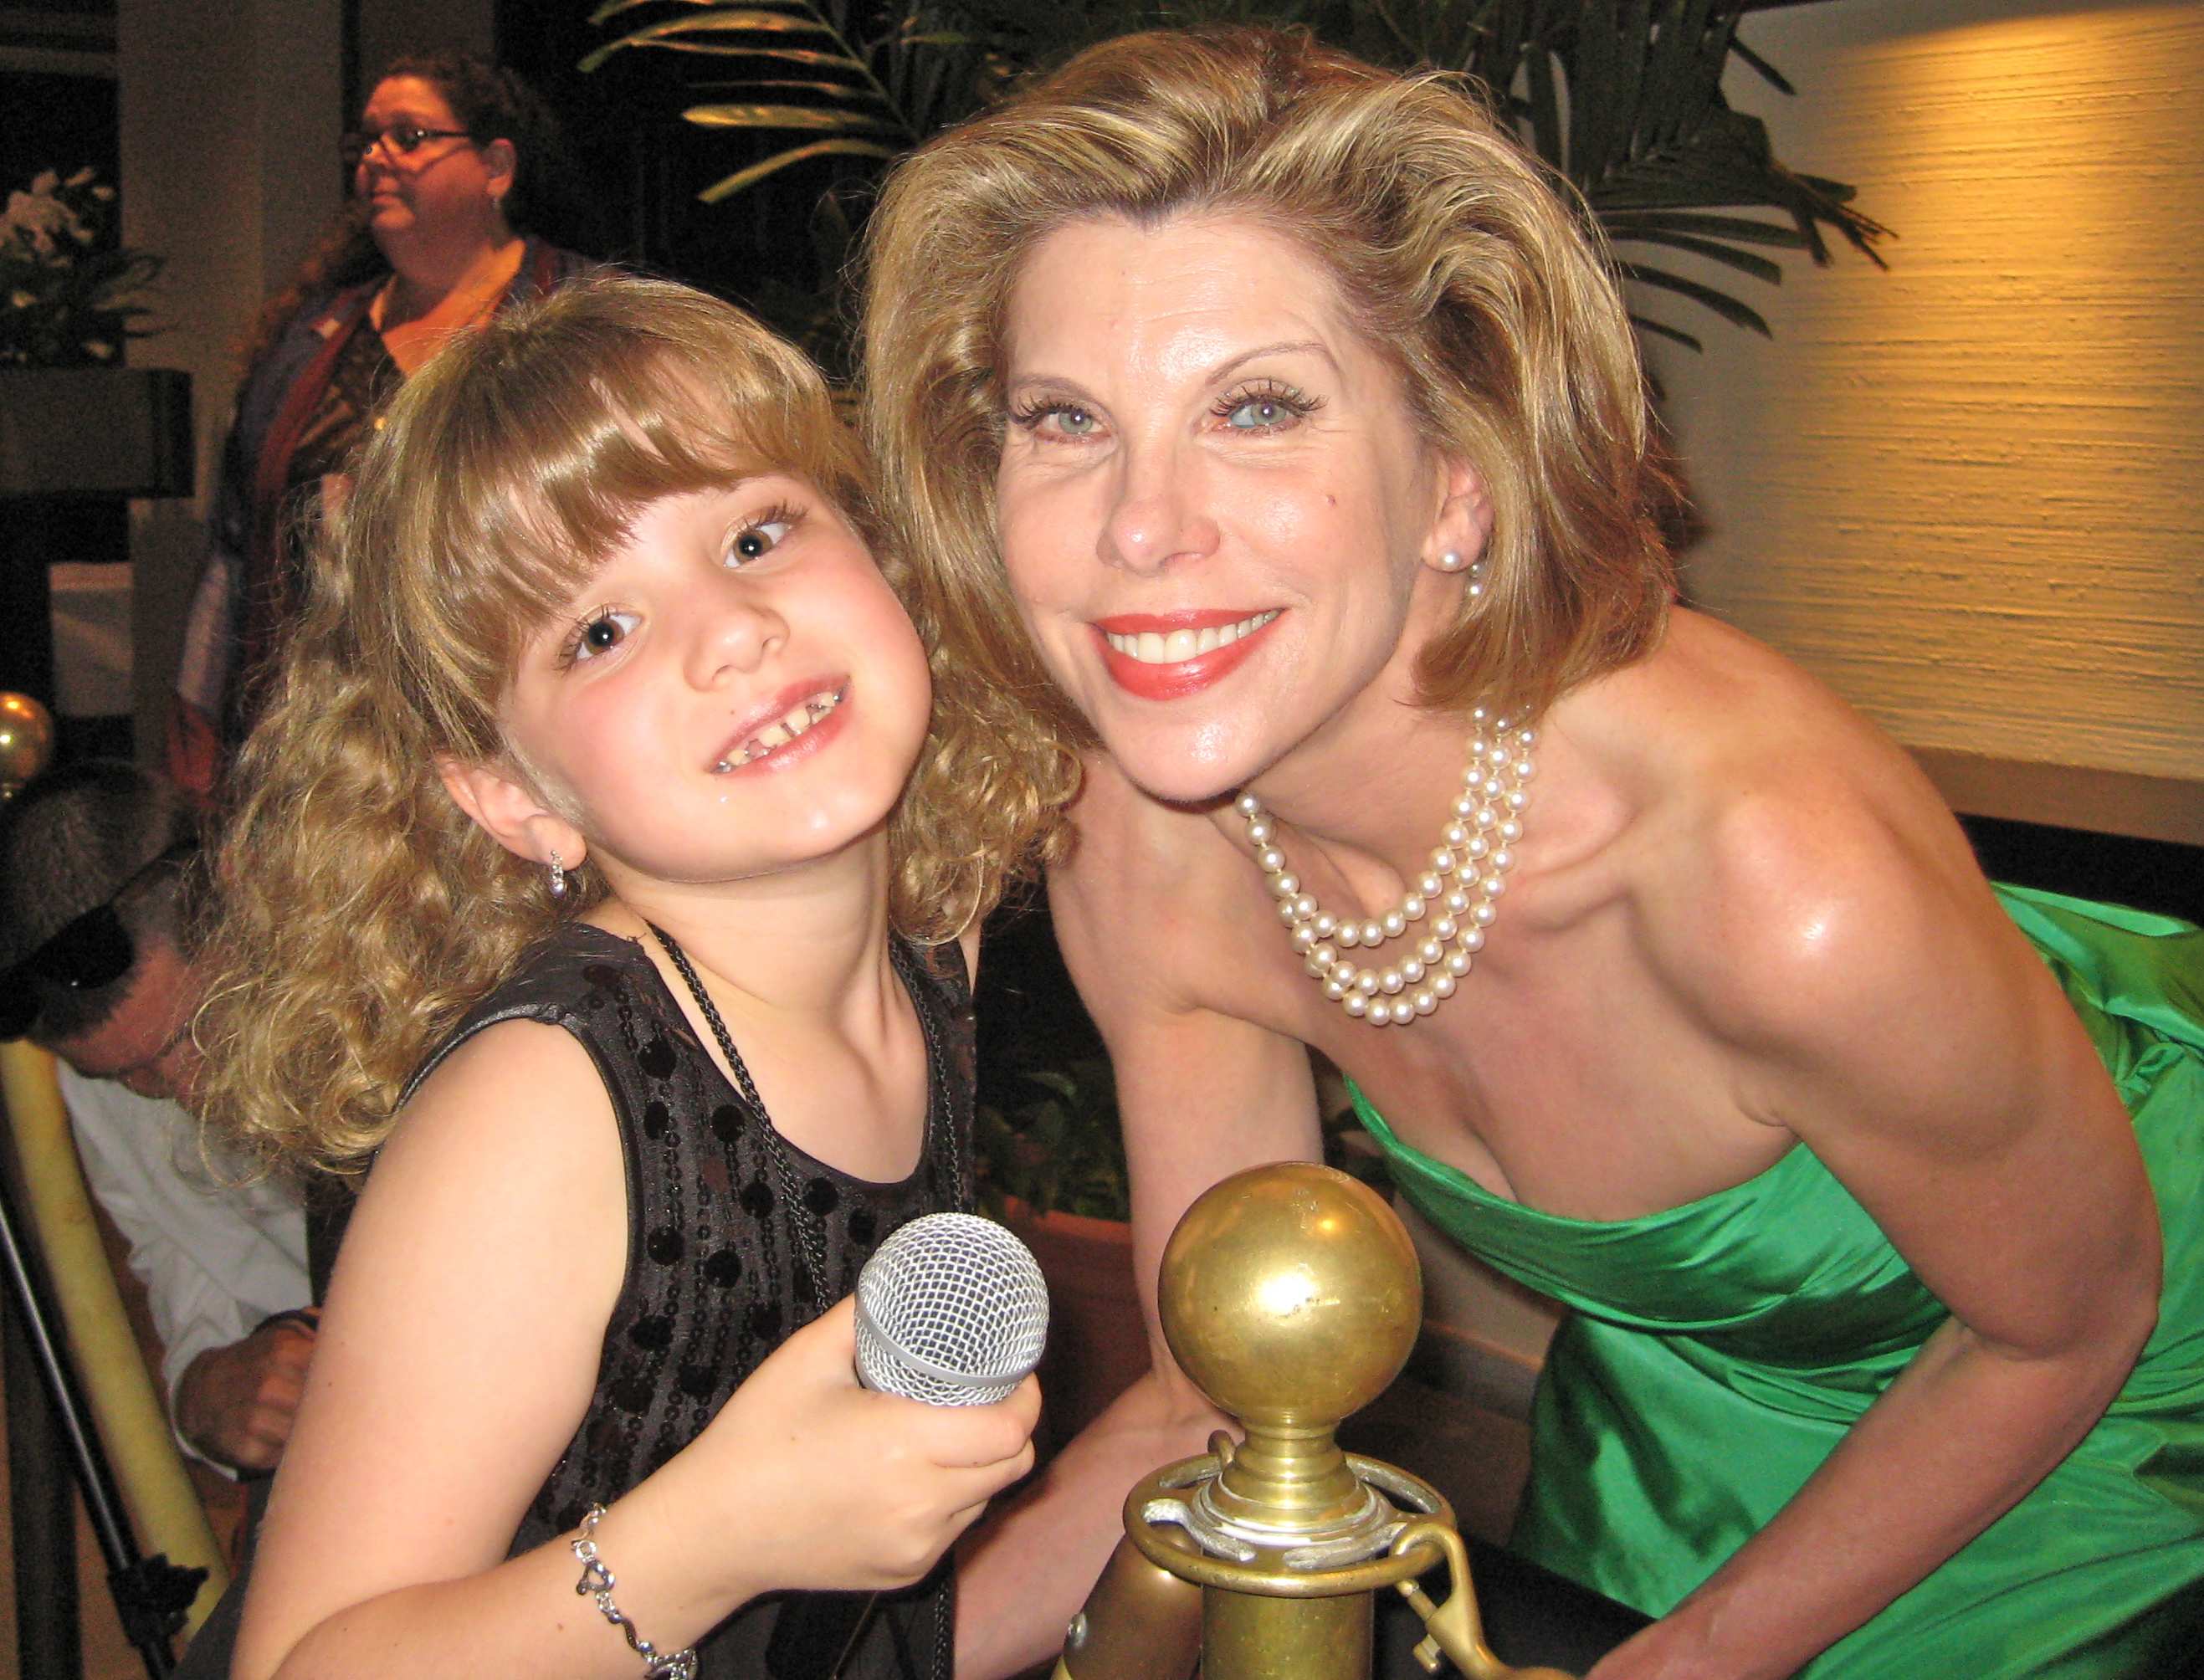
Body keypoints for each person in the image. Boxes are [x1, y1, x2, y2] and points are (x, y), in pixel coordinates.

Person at [858, 25, 2204, 1679]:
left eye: (1259, 408)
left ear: (1461, 481)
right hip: (1685, 1407)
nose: (1141, 527)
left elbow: (2072, 1316)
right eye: (1065, 419)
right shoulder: (1146, 841)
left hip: (2108, 1389)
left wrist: (1702, 1656)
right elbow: (1222, 1394)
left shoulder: (1776, 884)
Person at [192, 271, 1040, 1678]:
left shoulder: (928, 950)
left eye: (757, 533)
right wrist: (721, 1528)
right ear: (513, 799)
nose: (731, 631)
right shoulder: (546, 1105)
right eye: (598, 629)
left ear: (884, 553)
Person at [167, 49, 592, 802]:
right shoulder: (309, 344)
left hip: (510, 727)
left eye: (410, 136)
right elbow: (235, 552)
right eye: (365, 141)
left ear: (496, 166)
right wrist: (202, 742)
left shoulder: (581, 316)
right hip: (327, 739)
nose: (376, 160)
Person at [0, 760, 313, 1478]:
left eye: (194, 1039)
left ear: (240, 895)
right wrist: (204, 1391)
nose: (186, 1095)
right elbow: (181, 1252)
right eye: (129, 1078)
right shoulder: (101, 1076)